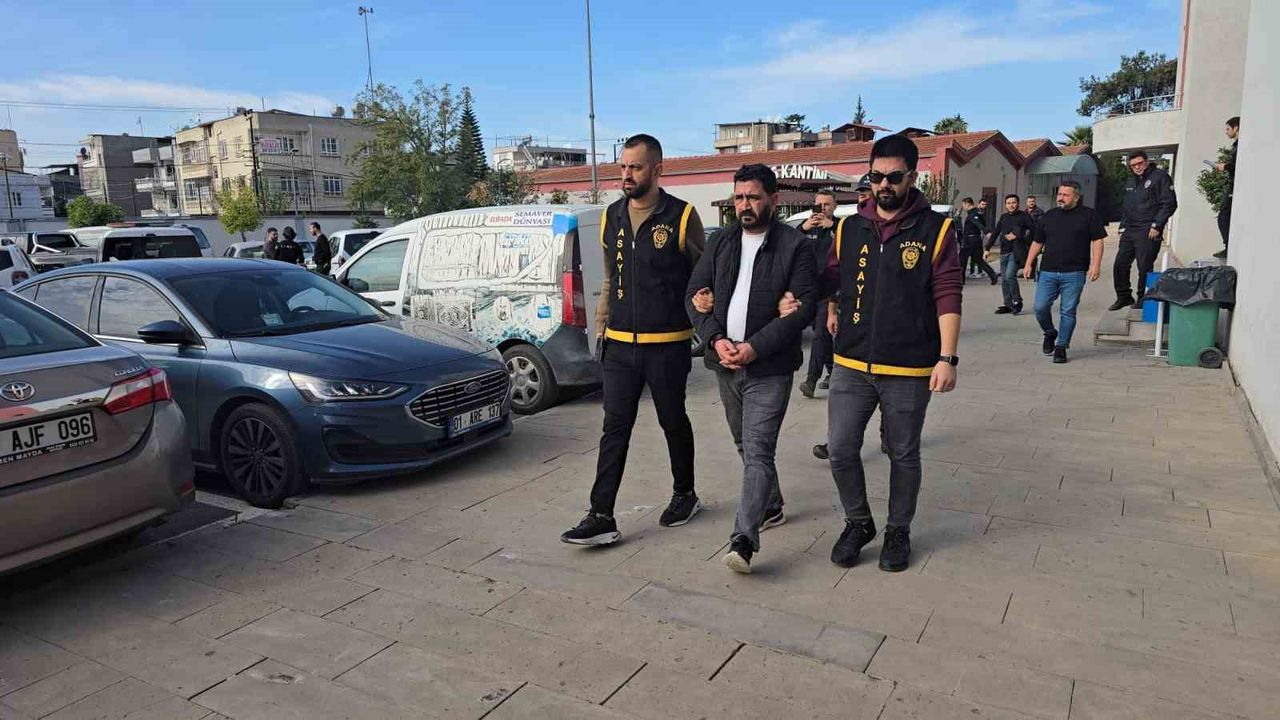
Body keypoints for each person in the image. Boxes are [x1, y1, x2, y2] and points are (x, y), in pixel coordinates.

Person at [820, 134, 962, 572]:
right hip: (850, 363)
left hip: (909, 366)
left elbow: (948, 292)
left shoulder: (936, 229)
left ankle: (898, 530)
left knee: (902, 453)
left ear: (911, 177)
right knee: (841, 449)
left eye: (893, 177)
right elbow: (829, 279)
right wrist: (811, 300)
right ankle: (858, 523)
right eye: (876, 176)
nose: (883, 185)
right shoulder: (848, 228)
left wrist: (947, 358)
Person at [561, 134, 706, 546]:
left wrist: (706, 326)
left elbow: (704, 276)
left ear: (657, 170)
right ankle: (601, 515)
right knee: (614, 429)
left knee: (672, 420)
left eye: (635, 167)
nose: (626, 174)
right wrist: (601, 329)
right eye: (623, 166)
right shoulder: (612, 216)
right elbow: (611, 278)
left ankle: (685, 494)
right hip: (620, 344)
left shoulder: (682, 216)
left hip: (668, 343)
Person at [684, 164, 816, 574]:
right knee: (744, 443)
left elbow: (803, 309)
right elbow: (693, 295)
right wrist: (714, 339)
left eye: (753, 197)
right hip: (725, 365)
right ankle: (771, 504)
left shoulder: (795, 245)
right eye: (739, 197)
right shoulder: (721, 241)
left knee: (758, 449)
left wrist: (754, 348)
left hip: (769, 368)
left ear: (772, 200)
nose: (744, 205)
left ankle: (743, 539)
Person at [1023, 181, 1107, 364]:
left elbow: (1098, 240)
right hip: (1048, 271)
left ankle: (1061, 347)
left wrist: (1096, 265)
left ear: (1076, 197)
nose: (1060, 198)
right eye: (1059, 194)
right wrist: (1028, 263)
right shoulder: (1049, 216)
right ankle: (1049, 332)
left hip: (1074, 272)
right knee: (1040, 307)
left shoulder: (1088, 215)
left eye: (1065, 195)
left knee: (1068, 311)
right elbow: (1038, 242)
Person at [1111, 150, 1177, 311]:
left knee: (1144, 266)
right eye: (1133, 165)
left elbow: (1169, 204)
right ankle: (1124, 296)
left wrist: (1157, 225)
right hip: (1130, 228)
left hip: (1148, 228)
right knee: (1120, 264)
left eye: (1140, 163)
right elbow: (1127, 206)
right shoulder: (1130, 181)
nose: (1137, 167)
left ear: (1146, 162)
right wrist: (1123, 226)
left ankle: (1143, 299)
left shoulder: (1160, 177)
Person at [798, 189, 837, 398]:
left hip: (830, 292)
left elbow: (851, 246)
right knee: (823, 336)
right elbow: (789, 244)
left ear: (834, 207)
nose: (822, 209)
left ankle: (811, 380)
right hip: (808, 290)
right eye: (819, 204)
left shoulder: (840, 227)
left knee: (820, 334)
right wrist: (804, 228)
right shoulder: (806, 228)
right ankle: (833, 371)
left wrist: (833, 227)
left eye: (827, 205)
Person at [990, 194, 1036, 315]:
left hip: (1016, 251)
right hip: (1004, 251)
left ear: (1018, 204)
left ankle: (1017, 301)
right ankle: (1008, 304)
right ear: (1005, 205)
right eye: (1009, 203)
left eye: (1013, 202)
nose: (1011, 205)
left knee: (1010, 276)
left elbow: (1034, 231)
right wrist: (987, 248)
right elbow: (996, 232)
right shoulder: (1004, 217)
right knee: (1004, 279)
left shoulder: (1024, 216)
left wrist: (1018, 235)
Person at [1213, 116, 1239, 259]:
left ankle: (1229, 247)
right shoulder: (1237, 145)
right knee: (1225, 216)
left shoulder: (1241, 145)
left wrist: (1225, 166)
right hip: (1234, 185)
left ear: (1236, 128)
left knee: (1223, 216)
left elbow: (1238, 165)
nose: (1226, 131)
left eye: (1228, 129)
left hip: (1235, 186)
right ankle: (1229, 246)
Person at [959, 198, 998, 285]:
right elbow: (983, 223)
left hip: (969, 240)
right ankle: (993, 275)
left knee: (962, 260)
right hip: (977, 239)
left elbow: (977, 223)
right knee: (979, 260)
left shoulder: (972, 214)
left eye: (963, 205)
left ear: (967, 204)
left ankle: (961, 280)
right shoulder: (979, 212)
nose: (963, 207)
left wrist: (986, 232)